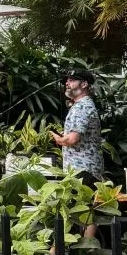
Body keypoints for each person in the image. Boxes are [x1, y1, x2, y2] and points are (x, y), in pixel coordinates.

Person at [51, 67, 103, 241]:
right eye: (67, 80)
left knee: (75, 211)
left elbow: (73, 139)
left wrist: (58, 139)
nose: (67, 83)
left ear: (84, 84)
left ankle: (63, 250)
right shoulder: (83, 106)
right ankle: (86, 250)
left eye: (72, 80)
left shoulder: (82, 107)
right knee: (87, 211)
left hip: (82, 170)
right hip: (85, 168)